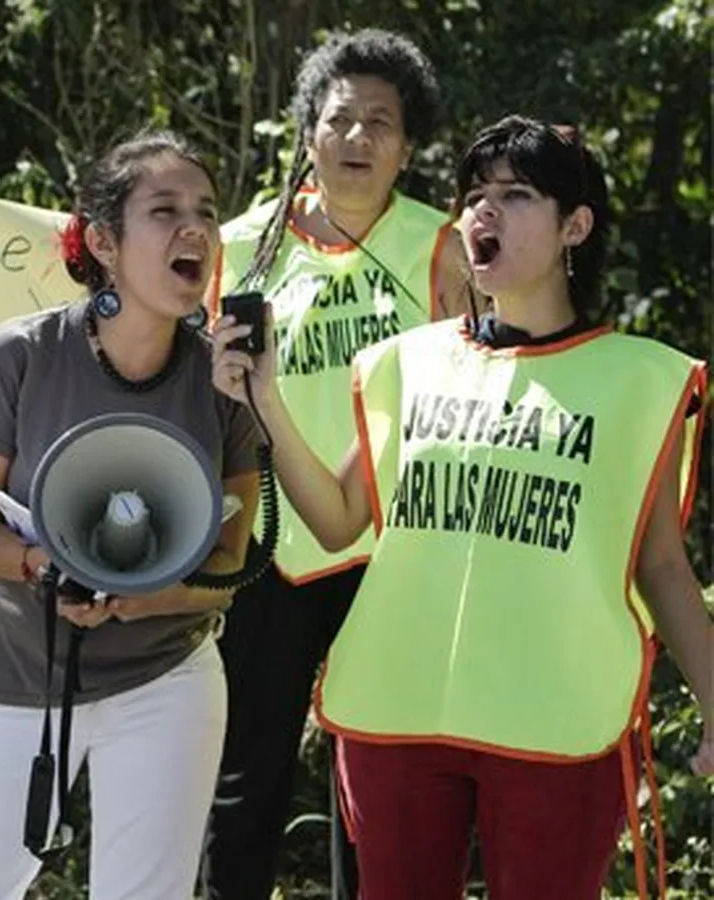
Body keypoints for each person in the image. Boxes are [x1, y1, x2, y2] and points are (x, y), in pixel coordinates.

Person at [211, 114, 714, 900]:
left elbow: (661, 567)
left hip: (556, 718)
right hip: (400, 712)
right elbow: (339, 521)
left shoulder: (638, 380)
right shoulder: (407, 361)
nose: (483, 211)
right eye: (475, 195)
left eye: (515, 195)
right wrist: (265, 400)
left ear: (575, 226)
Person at [0, 129, 261, 899]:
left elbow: (230, 562)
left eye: (206, 212)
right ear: (103, 242)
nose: (194, 230)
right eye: (165, 210)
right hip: (17, 680)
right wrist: (43, 566)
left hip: (167, 680)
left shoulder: (223, 381)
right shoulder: (17, 357)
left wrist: (150, 599)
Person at [199, 29, 472, 900]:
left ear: (409, 144)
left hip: (397, 556)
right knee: (245, 777)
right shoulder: (242, 246)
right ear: (307, 131)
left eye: (380, 123)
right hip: (271, 546)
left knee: (380, 786)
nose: (357, 138)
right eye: (340, 118)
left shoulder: (446, 248)